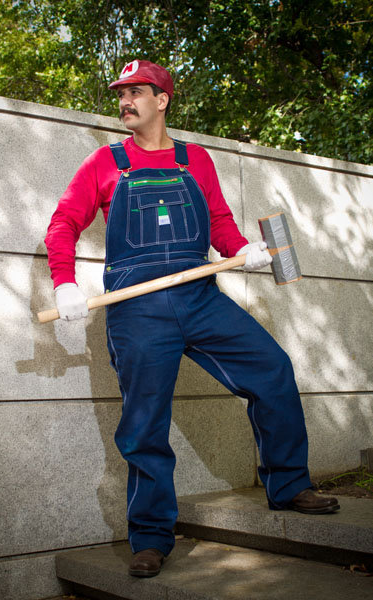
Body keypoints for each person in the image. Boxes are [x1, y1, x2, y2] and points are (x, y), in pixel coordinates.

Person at [45, 59, 339, 578]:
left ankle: (290, 485)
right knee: (145, 424)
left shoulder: (194, 159)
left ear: (163, 100)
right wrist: (65, 282)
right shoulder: (104, 163)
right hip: (136, 308)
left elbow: (220, 222)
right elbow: (64, 222)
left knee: (272, 369)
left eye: (138, 91)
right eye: (122, 92)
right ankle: (152, 537)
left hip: (200, 296)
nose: (126, 100)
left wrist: (245, 250)